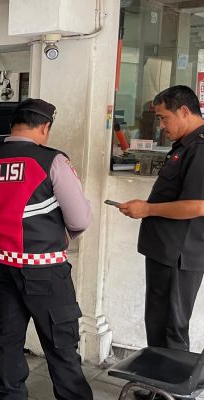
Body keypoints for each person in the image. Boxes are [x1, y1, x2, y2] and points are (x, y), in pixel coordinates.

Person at [0, 98, 93, 400]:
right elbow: (80, 218)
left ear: (14, 124)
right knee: (61, 345)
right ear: (45, 126)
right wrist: (61, 235)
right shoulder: (51, 161)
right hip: (44, 269)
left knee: (8, 341)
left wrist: (1, 225)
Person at [116, 85, 204, 400]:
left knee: (172, 329)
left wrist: (147, 209)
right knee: (157, 325)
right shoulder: (184, 145)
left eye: (165, 118)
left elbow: (198, 205)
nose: (162, 126)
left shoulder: (200, 148)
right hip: (164, 252)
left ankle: (176, 395)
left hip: (180, 257)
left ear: (184, 110)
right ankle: (158, 390)